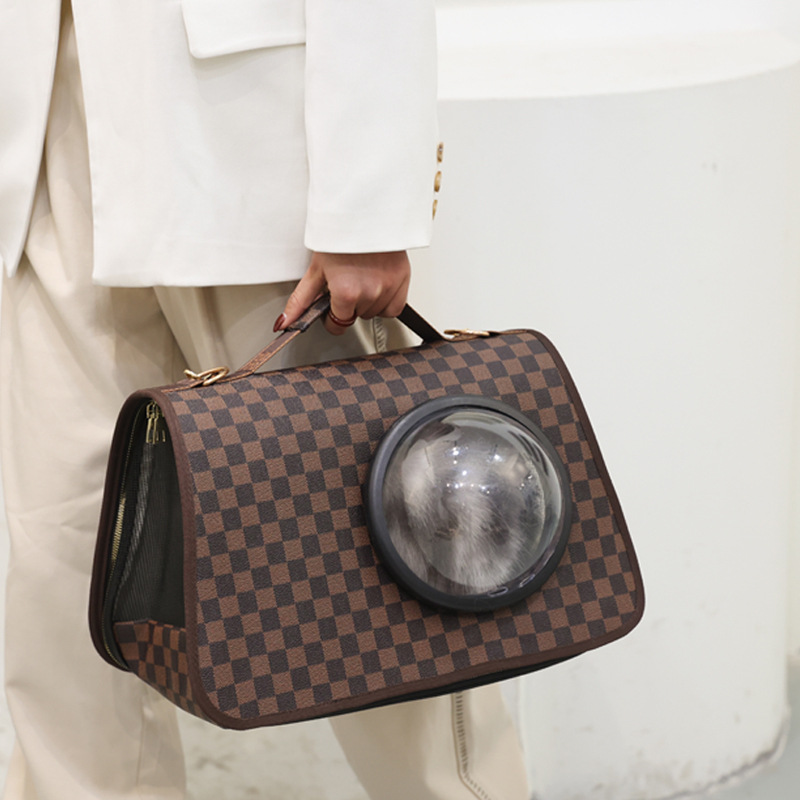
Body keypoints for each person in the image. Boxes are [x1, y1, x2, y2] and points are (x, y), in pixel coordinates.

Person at [0, 1, 531, 798]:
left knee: (370, 559)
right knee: (67, 556)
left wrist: (367, 200)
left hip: (245, 144)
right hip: (43, 127)